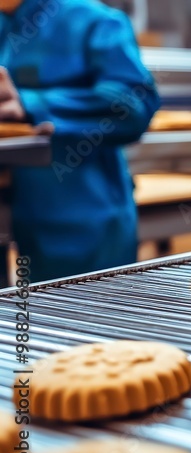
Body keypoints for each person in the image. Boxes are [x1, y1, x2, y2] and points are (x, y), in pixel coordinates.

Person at [0, 0, 159, 282]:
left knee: (94, 305)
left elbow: (133, 104)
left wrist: (30, 104)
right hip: (16, 216)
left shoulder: (93, 21)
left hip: (86, 223)